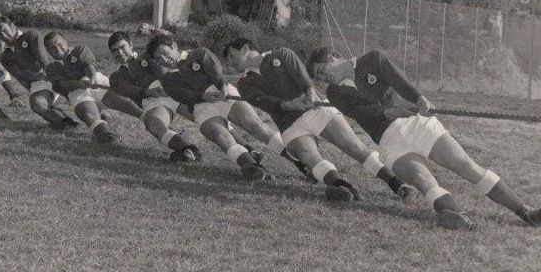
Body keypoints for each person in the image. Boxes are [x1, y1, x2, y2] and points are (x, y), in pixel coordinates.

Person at [306, 46, 541, 229]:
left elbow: (401, 81)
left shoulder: (374, 59)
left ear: (331, 58)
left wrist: (420, 99)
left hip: (416, 123)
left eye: (320, 71)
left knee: (466, 166)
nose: (321, 79)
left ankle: (525, 211)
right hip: (388, 138)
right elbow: (364, 113)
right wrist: (392, 111)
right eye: (317, 78)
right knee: (423, 180)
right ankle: (455, 216)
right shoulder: (335, 93)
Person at [224, 38, 413, 203]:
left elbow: (303, 78)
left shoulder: (281, 54)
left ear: (245, 49)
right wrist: (288, 105)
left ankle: (396, 184)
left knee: (354, 147)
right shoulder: (243, 83)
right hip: (289, 123)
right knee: (307, 154)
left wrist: (310, 93)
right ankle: (340, 185)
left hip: (315, 110)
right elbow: (263, 101)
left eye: (232, 55)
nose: (230, 62)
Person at [147, 34, 287, 181]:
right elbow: (182, 96)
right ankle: (250, 166)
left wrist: (222, 86)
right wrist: (202, 98)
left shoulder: (199, 53)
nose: (163, 59)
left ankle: (301, 162)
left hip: (223, 94)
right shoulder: (167, 79)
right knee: (220, 135)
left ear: (174, 46)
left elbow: (216, 70)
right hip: (201, 107)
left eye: (164, 53)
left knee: (255, 126)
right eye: (158, 59)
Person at [107, 31, 201, 161]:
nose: (120, 53)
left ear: (131, 44)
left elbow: (164, 71)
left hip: (171, 93)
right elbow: (128, 90)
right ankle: (187, 150)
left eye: (122, 47)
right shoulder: (116, 77)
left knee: (204, 116)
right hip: (152, 102)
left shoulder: (148, 56)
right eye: (115, 50)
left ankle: (236, 145)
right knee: (153, 123)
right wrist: (148, 92)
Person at [44, 31, 145, 147]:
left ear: (65, 42)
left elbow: (89, 66)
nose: (57, 48)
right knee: (88, 114)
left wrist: (91, 77)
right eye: (52, 47)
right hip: (76, 92)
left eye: (59, 44)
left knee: (127, 103)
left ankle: (150, 118)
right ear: (48, 51)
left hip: (96, 81)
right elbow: (60, 85)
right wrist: (77, 84)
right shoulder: (51, 68)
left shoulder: (79, 50)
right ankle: (105, 135)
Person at [0, 16, 78, 128]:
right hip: (38, 83)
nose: (3, 35)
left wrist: (57, 83)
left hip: (54, 74)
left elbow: (45, 62)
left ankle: (99, 115)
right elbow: (22, 79)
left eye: (5, 30)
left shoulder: (30, 35)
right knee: (36, 104)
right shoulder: (5, 57)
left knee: (81, 96)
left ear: (12, 26)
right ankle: (65, 123)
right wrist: (34, 91)